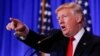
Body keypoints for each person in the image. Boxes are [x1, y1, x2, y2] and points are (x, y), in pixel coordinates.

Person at [6, 2, 100, 56]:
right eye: (58, 18)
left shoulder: (95, 43)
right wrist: (23, 30)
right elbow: (38, 41)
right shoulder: (57, 38)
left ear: (78, 18)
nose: (60, 21)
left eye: (64, 17)